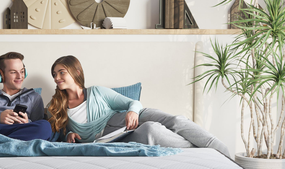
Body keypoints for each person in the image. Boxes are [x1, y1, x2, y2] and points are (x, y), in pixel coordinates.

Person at [47, 55, 229, 156]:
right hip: (115, 138)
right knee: (152, 131)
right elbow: (56, 134)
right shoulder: (56, 105)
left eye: (61, 72)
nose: (56, 78)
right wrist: (69, 134)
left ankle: (220, 150)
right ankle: (200, 153)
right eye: (54, 74)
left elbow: (131, 102)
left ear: (76, 72)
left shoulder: (97, 92)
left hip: (128, 117)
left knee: (175, 121)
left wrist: (133, 112)